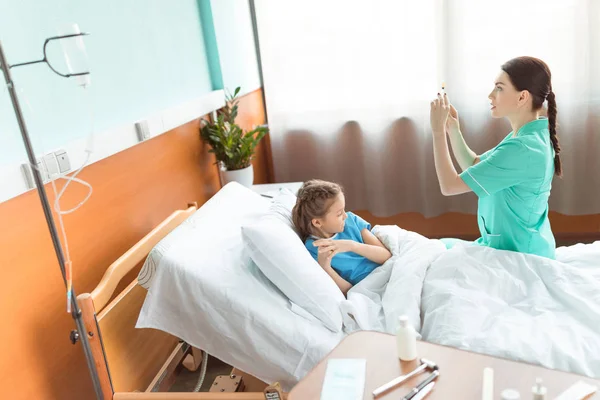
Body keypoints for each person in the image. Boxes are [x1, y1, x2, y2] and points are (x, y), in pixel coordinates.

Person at [429, 56, 560, 259]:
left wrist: (437, 132)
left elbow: (449, 186)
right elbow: (474, 164)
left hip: (519, 256)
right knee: (438, 248)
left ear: (522, 97)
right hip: (517, 246)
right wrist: (452, 129)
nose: (490, 95)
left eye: (499, 88)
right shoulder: (529, 136)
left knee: (432, 253)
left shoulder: (523, 149)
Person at [292, 179, 392, 295]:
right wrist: (325, 267)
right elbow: (348, 292)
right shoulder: (314, 249)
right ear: (318, 223)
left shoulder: (351, 220)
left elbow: (386, 256)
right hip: (370, 289)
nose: (345, 215)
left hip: (389, 272)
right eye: (339, 214)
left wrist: (352, 246)